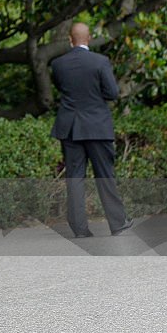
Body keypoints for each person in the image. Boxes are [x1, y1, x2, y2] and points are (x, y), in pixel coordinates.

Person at [50, 22, 133, 238]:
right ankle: (118, 223)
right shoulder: (100, 61)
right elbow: (112, 92)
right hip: (97, 126)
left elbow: (60, 87)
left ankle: (79, 229)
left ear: (70, 39)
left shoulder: (58, 64)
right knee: (105, 175)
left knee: (75, 177)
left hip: (70, 127)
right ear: (89, 39)